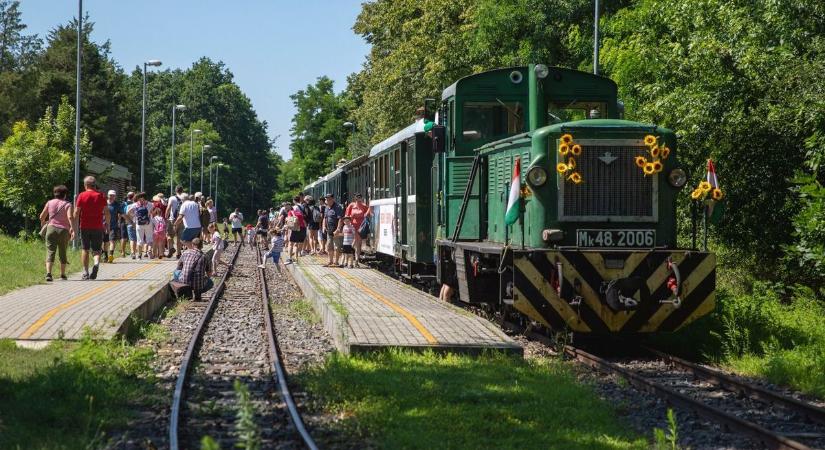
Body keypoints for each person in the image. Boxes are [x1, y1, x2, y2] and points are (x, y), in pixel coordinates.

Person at [74, 176, 108, 280]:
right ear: (94, 184)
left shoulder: (81, 195)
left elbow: (76, 212)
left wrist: (73, 226)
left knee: (85, 249)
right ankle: (96, 263)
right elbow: (107, 212)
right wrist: (108, 224)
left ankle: (85, 272)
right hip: (98, 226)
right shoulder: (101, 196)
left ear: (85, 185)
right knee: (97, 250)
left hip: (84, 226)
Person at [39, 185, 75, 281]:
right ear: (65, 194)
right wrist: (72, 228)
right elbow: (70, 217)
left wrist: (43, 223)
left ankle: (48, 274)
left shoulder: (49, 202)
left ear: (55, 194)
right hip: (63, 230)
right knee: (63, 251)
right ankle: (62, 274)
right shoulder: (68, 204)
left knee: (50, 251)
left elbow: (42, 216)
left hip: (51, 229)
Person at [345, 193, 369, 267]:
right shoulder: (351, 206)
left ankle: (356, 261)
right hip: (352, 227)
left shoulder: (364, 206)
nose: (358, 199)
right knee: (350, 244)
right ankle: (347, 261)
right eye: (357, 198)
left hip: (360, 228)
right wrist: (347, 225)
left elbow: (369, 212)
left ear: (361, 198)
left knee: (358, 245)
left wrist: (366, 214)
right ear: (355, 199)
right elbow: (346, 216)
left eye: (360, 198)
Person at [322, 193, 344, 267]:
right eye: (326, 199)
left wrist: (338, 229)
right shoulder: (326, 208)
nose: (327, 200)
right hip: (329, 230)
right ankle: (330, 261)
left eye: (329, 199)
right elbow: (325, 218)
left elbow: (340, 219)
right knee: (329, 246)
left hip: (336, 230)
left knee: (337, 247)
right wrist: (323, 226)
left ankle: (336, 261)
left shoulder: (338, 207)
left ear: (333, 199)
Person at [129, 192, 153, 259]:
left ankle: (139, 255)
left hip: (139, 224)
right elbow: (152, 213)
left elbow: (128, 212)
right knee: (149, 239)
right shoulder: (150, 204)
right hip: (148, 223)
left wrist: (134, 216)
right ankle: (149, 251)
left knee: (139, 240)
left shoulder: (135, 204)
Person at [285, 198, 306, 264]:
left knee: (291, 244)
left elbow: (290, 222)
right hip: (302, 229)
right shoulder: (299, 213)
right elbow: (304, 223)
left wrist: (287, 228)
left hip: (295, 229)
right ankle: (296, 258)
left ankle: (290, 258)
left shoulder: (290, 212)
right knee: (296, 244)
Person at [103, 190, 122, 263]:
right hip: (104, 225)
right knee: (105, 242)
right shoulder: (104, 203)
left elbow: (120, 213)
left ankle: (111, 255)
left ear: (115, 196)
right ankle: (105, 256)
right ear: (108, 195)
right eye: (110, 195)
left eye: (113, 195)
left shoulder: (117, 204)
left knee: (112, 241)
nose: (112, 197)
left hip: (113, 225)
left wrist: (119, 221)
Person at [166, 186, 184, 258]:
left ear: (175, 190)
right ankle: (178, 253)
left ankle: (171, 248)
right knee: (179, 237)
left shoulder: (172, 198)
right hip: (181, 219)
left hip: (172, 219)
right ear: (182, 191)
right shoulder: (184, 198)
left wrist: (166, 217)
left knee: (169, 235)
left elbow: (168, 207)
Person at [120, 192, 134, 258]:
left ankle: (123, 252)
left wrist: (119, 221)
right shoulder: (134, 203)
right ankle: (133, 252)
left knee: (123, 237)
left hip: (123, 221)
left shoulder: (123, 203)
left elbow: (120, 213)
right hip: (131, 222)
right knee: (132, 238)